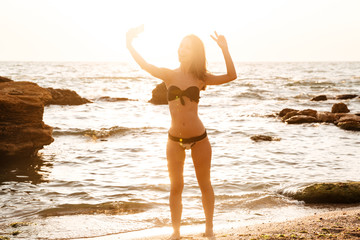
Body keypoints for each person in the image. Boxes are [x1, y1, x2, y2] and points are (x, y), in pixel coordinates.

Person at [126, 25, 237, 240]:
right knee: (176, 186)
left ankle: (209, 229)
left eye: (186, 47)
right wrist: (129, 44)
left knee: (205, 184)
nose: (181, 50)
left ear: (195, 52)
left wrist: (224, 48)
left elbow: (232, 75)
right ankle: (176, 232)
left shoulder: (201, 78)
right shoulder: (169, 75)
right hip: (174, 139)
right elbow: (145, 65)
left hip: (199, 138)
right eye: (180, 47)